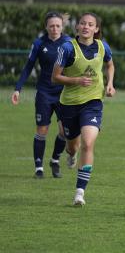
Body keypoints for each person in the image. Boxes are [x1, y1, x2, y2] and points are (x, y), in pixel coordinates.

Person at [52, 12, 115, 206]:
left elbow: (110, 65)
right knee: (74, 146)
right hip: (69, 104)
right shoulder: (67, 48)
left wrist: (110, 84)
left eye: (90, 24)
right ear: (77, 27)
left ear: (96, 29)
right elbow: (55, 77)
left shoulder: (103, 46)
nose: (86, 27)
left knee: (88, 143)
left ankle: (79, 192)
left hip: (93, 102)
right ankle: (71, 155)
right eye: (82, 23)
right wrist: (76, 80)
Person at [11, 11, 72, 179]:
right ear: (46, 26)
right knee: (42, 129)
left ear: (62, 27)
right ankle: (39, 167)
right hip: (44, 92)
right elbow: (28, 66)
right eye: (51, 25)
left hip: (63, 93)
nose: (54, 28)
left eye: (57, 26)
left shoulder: (68, 43)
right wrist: (18, 89)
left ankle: (55, 160)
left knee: (64, 131)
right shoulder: (39, 43)